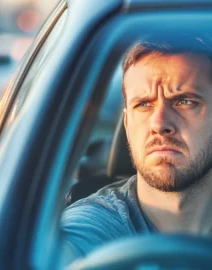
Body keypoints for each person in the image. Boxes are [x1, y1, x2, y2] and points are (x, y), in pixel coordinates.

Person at [61, 33, 212, 263]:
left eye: (184, 101)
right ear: (127, 124)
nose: (159, 124)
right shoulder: (91, 227)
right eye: (143, 104)